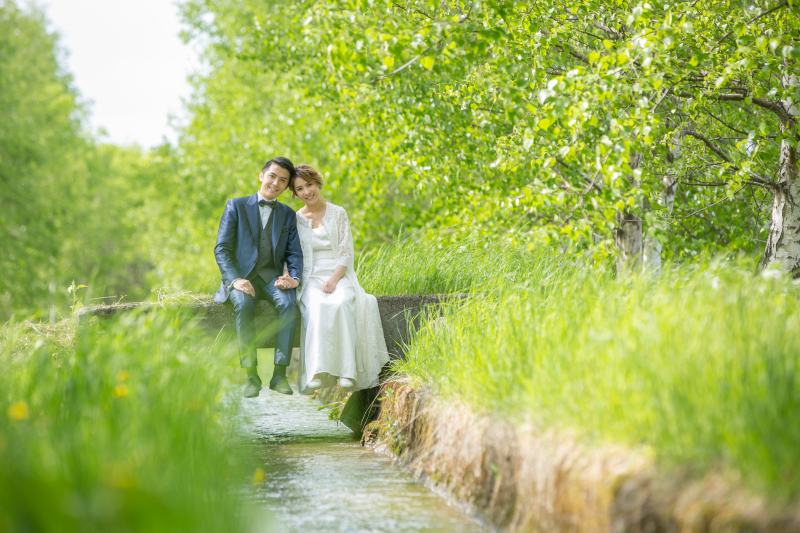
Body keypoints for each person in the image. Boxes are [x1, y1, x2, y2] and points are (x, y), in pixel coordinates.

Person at [279, 165, 388, 394]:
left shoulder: (338, 212)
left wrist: (334, 279)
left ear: (317, 183)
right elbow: (291, 253)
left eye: (309, 184)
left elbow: (346, 252)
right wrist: (288, 274)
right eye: (300, 189)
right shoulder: (296, 219)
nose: (306, 191)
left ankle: (348, 372)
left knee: (341, 304)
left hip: (339, 273)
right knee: (317, 306)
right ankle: (316, 372)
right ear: (295, 194)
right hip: (310, 276)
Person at [213, 157, 303, 398]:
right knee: (243, 305)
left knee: (288, 304)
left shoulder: (287, 215)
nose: (276, 183)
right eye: (272, 176)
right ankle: (251, 376)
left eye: (283, 180)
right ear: (262, 175)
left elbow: (294, 253)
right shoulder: (236, 206)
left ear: (286, 187)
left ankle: (279, 375)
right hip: (241, 279)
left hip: (272, 278)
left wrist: (293, 278)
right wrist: (235, 280)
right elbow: (221, 249)